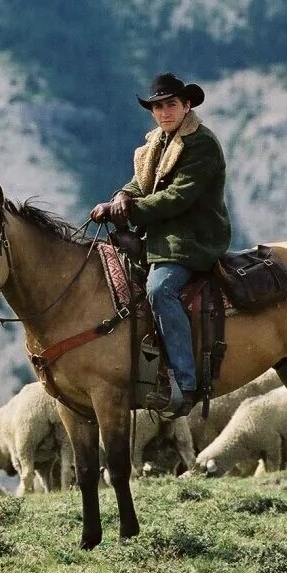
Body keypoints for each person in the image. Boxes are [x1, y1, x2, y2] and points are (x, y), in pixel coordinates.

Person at [90, 72, 232, 417]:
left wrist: (130, 210)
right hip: (159, 234)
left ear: (186, 106)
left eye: (171, 104)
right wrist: (120, 196)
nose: (164, 112)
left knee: (160, 288)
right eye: (158, 107)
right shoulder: (158, 142)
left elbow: (178, 197)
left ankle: (185, 383)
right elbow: (141, 183)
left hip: (191, 238)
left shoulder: (202, 144)